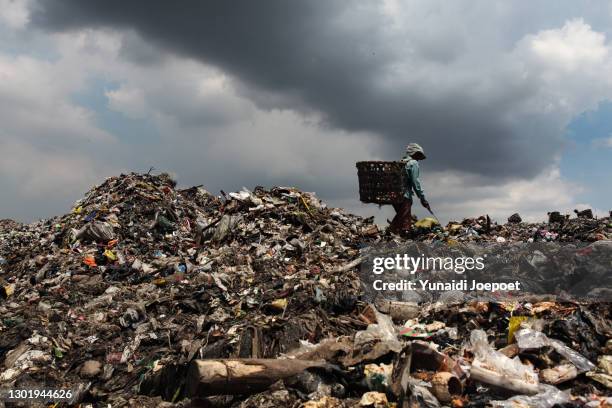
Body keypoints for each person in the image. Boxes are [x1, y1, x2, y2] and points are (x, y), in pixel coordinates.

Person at [389, 143, 430, 234]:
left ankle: (393, 233)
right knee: (405, 219)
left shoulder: (401, 162)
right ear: (414, 153)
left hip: (394, 195)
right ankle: (399, 233)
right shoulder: (413, 163)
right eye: (419, 155)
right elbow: (415, 182)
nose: (419, 158)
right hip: (404, 195)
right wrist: (422, 198)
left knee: (401, 216)